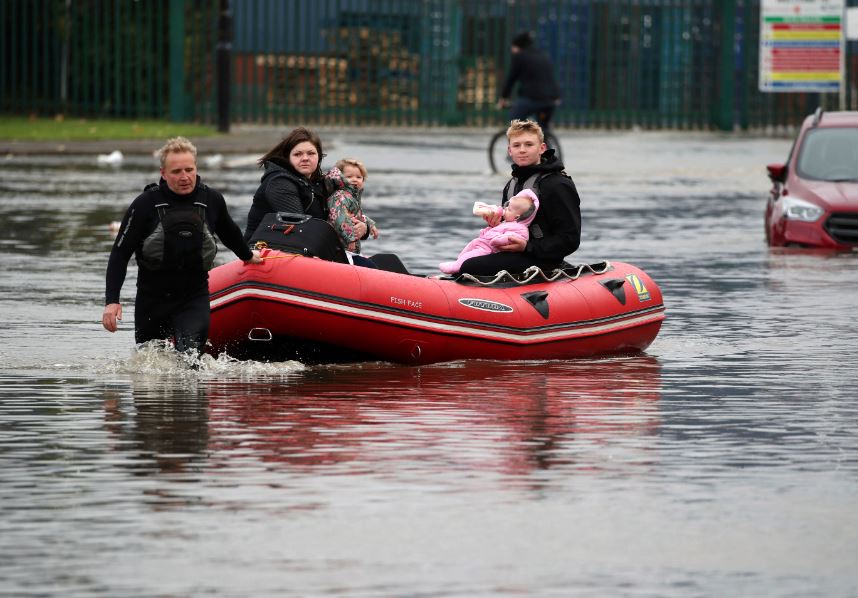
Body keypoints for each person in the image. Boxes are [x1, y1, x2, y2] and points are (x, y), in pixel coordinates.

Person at [102, 137, 262, 355]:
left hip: (193, 297)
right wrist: (112, 301)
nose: (185, 177)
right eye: (176, 171)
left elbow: (230, 233)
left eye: (189, 169)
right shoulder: (145, 204)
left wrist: (248, 256)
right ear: (163, 173)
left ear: (196, 168)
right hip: (152, 299)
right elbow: (120, 253)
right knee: (151, 364)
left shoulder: (212, 200)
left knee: (189, 359)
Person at [459, 119, 581, 277]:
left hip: (544, 258)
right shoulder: (511, 184)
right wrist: (497, 224)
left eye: (529, 144)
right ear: (509, 151)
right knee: (466, 259)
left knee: (470, 267)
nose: (522, 150)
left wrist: (527, 247)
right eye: (517, 145)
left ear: (542, 148)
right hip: (515, 254)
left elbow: (570, 239)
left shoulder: (558, 185)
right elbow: (512, 224)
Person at [243, 127, 368, 243]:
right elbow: (300, 228)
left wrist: (364, 227)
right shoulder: (279, 183)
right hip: (266, 251)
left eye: (311, 153)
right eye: (298, 154)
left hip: (307, 248)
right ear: (288, 157)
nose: (305, 158)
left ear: (319, 156)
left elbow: (341, 214)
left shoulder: (322, 183)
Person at [439, 189, 539, 275]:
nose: (504, 209)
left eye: (508, 209)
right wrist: (492, 226)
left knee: (470, 258)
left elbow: (510, 238)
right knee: (467, 251)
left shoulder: (519, 228)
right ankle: (457, 265)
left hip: (489, 250)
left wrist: (498, 240)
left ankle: (455, 267)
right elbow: (495, 231)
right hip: (483, 244)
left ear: (517, 216)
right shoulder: (506, 222)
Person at [498, 31, 561, 136]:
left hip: (532, 98)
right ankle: (545, 147)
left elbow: (511, 79)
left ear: (517, 46)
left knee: (515, 121)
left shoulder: (520, 56)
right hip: (551, 99)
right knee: (543, 130)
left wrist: (503, 98)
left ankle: (517, 150)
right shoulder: (543, 55)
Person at [324, 158, 379, 261]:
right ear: (340, 178)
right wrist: (350, 239)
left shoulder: (352, 198)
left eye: (359, 177)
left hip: (349, 248)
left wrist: (370, 224)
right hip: (340, 247)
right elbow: (339, 218)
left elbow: (356, 215)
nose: (354, 179)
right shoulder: (340, 196)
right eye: (349, 176)